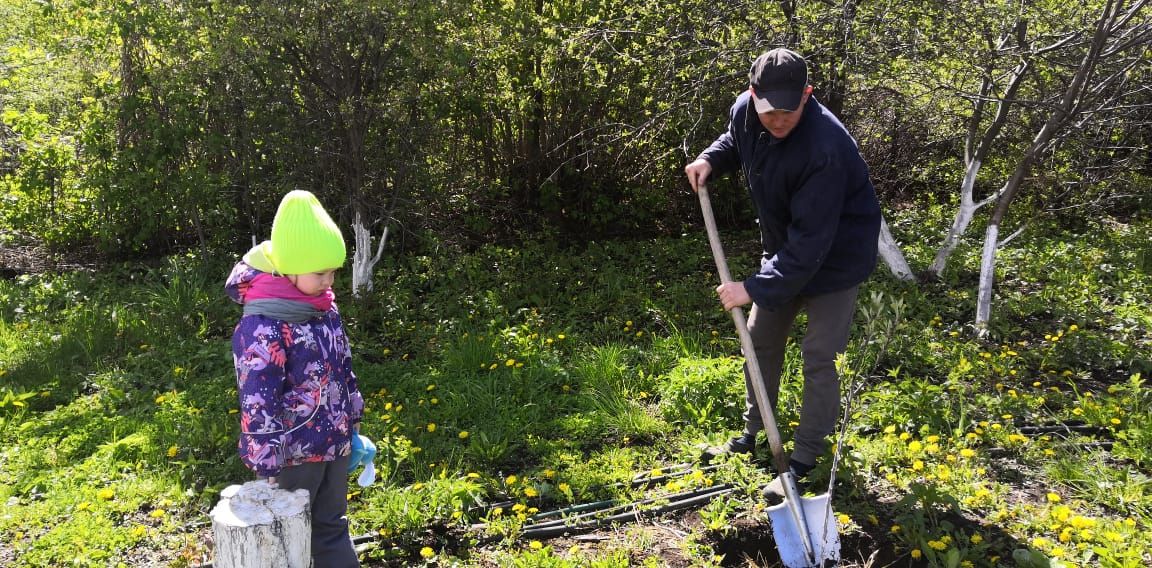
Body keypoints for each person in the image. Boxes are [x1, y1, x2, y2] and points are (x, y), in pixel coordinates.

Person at [685, 48, 881, 484]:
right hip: (785, 249)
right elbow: (737, 139)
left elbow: (811, 245)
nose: (777, 121)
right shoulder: (747, 111)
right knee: (759, 341)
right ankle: (755, 431)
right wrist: (710, 158)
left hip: (835, 260)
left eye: (788, 113)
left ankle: (806, 457)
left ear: (808, 95)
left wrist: (751, 288)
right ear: (753, 95)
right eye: (768, 111)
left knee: (819, 355)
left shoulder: (825, 147)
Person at [226, 189, 365, 568]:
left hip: (334, 443)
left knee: (332, 524)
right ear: (288, 269)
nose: (329, 281)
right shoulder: (262, 326)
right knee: (290, 536)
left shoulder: (324, 309)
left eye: (333, 271)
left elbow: (342, 369)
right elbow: (258, 401)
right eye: (320, 272)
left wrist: (352, 422)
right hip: (293, 455)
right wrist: (267, 462)